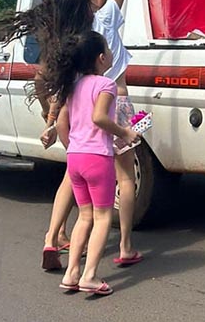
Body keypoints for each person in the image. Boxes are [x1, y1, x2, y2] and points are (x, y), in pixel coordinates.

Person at [6, 0, 144, 271]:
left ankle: (53, 237)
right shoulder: (106, 20)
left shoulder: (66, 38)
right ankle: (125, 244)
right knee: (125, 177)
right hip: (115, 102)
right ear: (90, 4)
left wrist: (51, 119)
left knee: (74, 172)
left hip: (75, 110)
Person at [44, 31, 140, 295]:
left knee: (84, 217)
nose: (111, 52)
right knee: (102, 218)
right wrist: (125, 132)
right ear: (101, 58)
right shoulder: (105, 85)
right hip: (98, 158)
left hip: (75, 157)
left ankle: (72, 272)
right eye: (108, 48)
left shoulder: (72, 85)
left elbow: (66, 121)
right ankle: (90, 276)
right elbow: (99, 118)